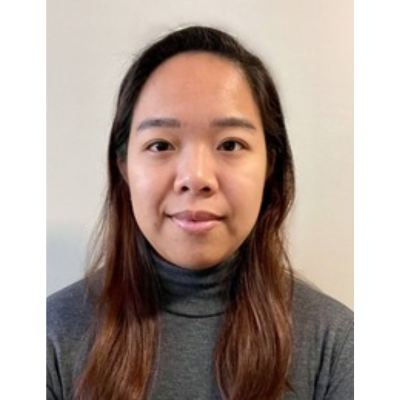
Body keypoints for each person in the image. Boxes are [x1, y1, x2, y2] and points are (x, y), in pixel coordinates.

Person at [47, 26, 353, 400]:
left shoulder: (337, 344)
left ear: (270, 165)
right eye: (161, 145)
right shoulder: (50, 339)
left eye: (231, 144)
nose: (196, 177)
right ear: (124, 166)